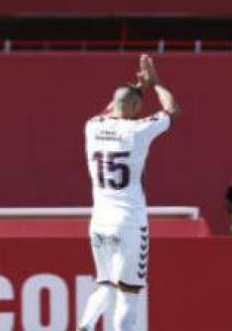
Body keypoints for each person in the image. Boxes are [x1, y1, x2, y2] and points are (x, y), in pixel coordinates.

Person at [77, 55, 180, 331]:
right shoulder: (137, 130)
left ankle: (85, 326)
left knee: (105, 284)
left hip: (99, 221)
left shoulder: (92, 126)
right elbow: (172, 110)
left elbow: (116, 105)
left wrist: (137, 87)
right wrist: (154, 83)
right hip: (129, 223)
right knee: (130, 293)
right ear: (134, 107)